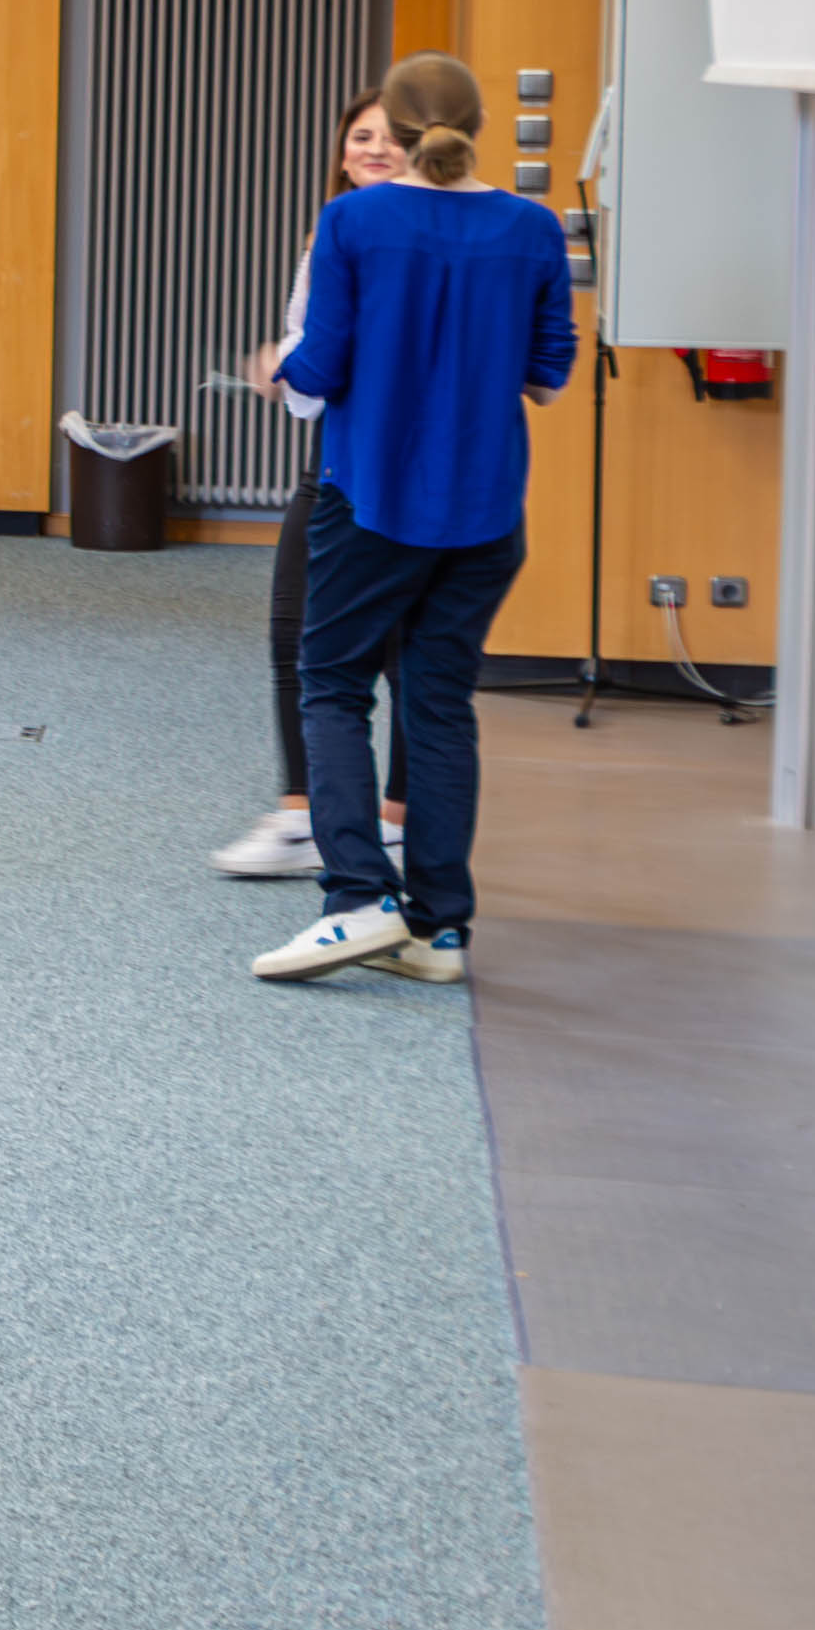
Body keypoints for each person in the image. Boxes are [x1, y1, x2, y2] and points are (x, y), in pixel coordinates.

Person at [256, 51, 580, 988]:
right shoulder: (531, 227)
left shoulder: (354, 220)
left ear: (393, 132)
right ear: (474, 124)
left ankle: (356, 899)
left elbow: (321, 367)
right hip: (485, 514)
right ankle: (440, 930)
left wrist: (274, 370)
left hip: (373, 503)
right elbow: (547, 374)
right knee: (439, 705)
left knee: (330, 684)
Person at [217, 103, 418, 882]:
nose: (374, 148)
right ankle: (299, 815)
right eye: (361, 136)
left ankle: (397, 820)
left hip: (400, 460)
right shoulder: (329, 227)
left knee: (402, 645)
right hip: (331, 452)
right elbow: (311, 338)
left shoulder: (437, 231)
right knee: (292, 627)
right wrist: (288, 365)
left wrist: (297, 366)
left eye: (392, 138)